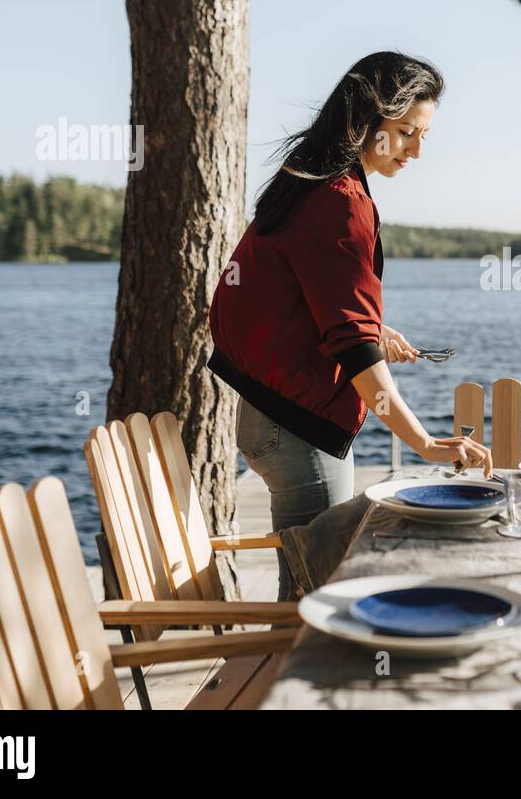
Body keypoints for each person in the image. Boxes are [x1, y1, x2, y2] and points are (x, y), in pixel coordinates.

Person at [208, 51, 493, 600]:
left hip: (272, 416)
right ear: (369, 118)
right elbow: (357, 352)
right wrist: (426, 443)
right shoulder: (339, 200)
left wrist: (370, 332)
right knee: (318, 594)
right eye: (406, 132)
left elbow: (290, 292)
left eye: (423, 135)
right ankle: (294, 684)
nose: (415, 149)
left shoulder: (308, 179)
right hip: (297, 429)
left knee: (309, 583)